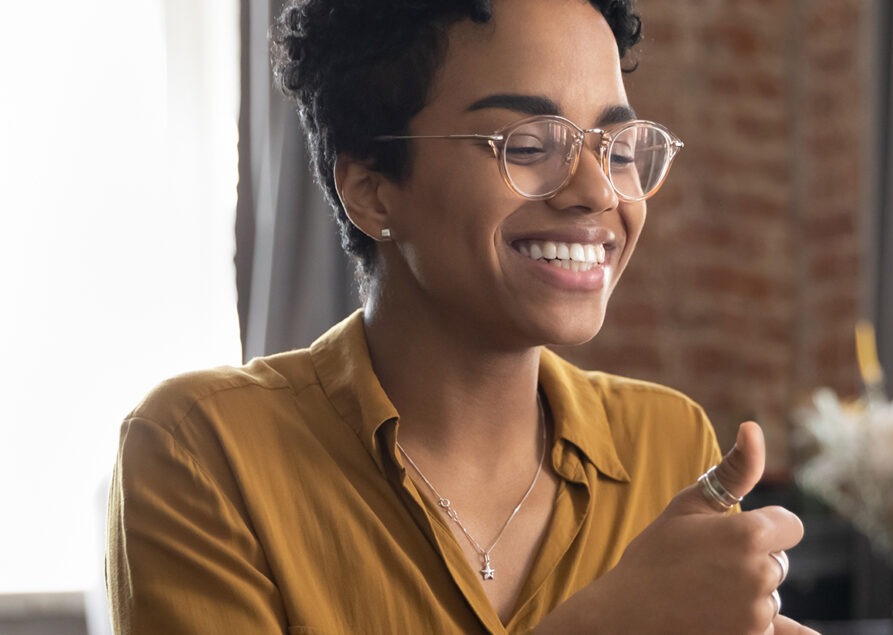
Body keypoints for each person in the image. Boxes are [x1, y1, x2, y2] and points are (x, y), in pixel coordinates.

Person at [105, 0, 813, 632]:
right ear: (372, 190)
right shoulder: (203, 452)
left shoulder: (667, 443)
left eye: (619, 149)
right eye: (529, 146)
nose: (598, 191)